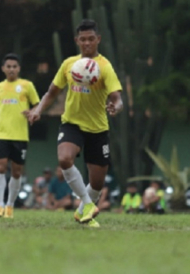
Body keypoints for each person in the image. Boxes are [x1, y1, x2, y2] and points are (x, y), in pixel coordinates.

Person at [26, 19, 123, 228]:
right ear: (77, 41)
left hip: (98, 129)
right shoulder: (69, 64)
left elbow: (117, 97)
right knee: (64, 159)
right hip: (72, 123)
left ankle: (82, 212)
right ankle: (88, 205)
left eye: (91, 39)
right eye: (83, 40)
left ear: (98, 39)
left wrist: (116, 107)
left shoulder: (105, 67)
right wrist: (38, 110)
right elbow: (52, 92)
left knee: (97, 183)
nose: (87, 43)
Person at [0, 53, 40, 219]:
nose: (11, 69)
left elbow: (38, 105)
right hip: (2, 133)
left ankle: (10, 205)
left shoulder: (27, 85)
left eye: (14, 67)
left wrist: (32, 112)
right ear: (3, 69)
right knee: (0, 166)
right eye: (8, 66)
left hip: (20, 135)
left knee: (17, 172)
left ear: (19, 69)